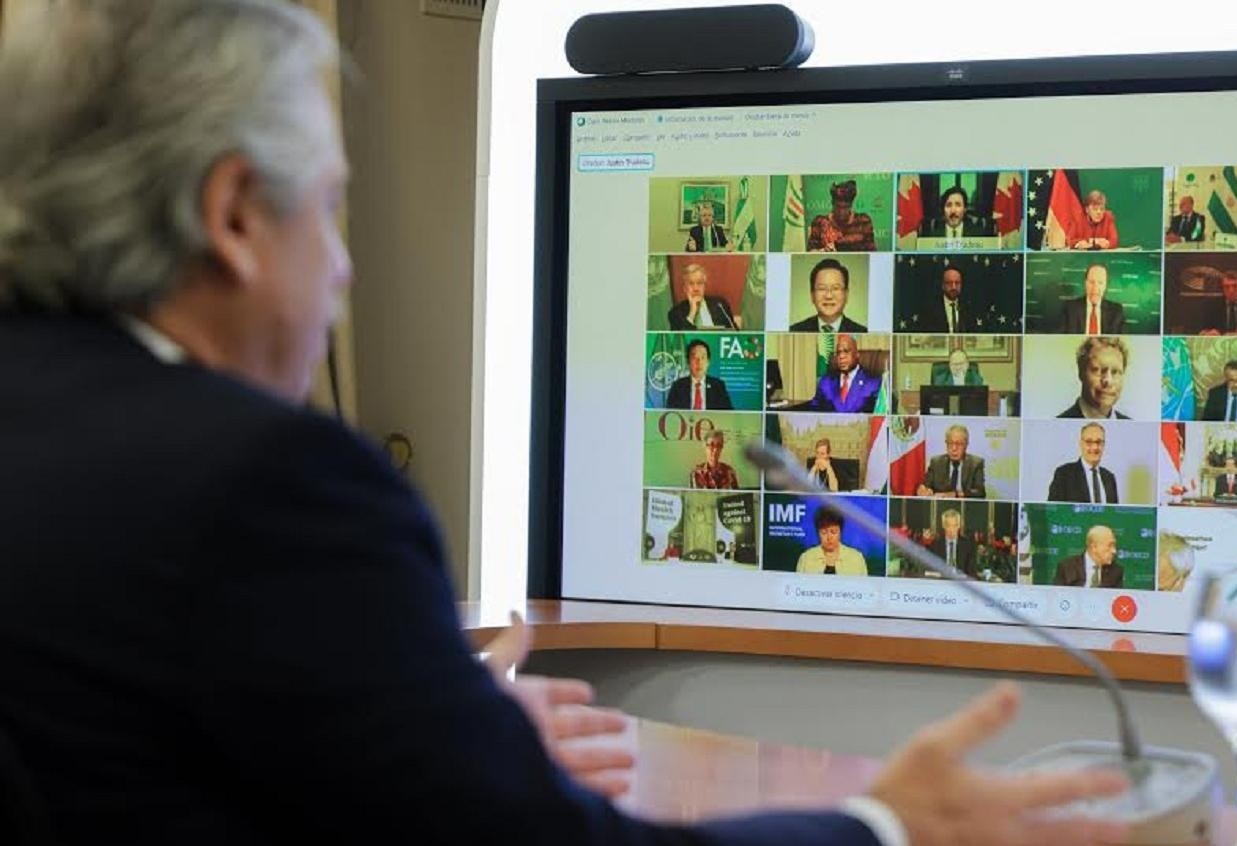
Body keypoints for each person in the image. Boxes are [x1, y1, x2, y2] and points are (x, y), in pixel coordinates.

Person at [0, 4, 1132, 845]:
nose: (343, 271)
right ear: (236, 216)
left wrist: (440, 735)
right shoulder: (266, 484)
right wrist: (889, 823)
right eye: (333, 211)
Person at [806, 334, 882, 413]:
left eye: (846, 351)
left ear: (856, 355)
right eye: (838, 352)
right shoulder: (825, 382)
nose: (841, 356)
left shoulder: (873, 383)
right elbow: (814, 411)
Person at [788, 258, 868, 333]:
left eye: (835, 288)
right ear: (812, 295)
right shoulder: (795, 330)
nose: (828, 296)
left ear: (846, 295)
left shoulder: (861, 331)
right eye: (822, 288)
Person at [1058, 337, 1130, 419]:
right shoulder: (1056, 426)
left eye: (1115, 372)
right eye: (1097, 370)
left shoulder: (1133, 428)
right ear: (1081, 373)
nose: (1108, 380)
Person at [1047, 423, 1119, 504]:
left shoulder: (1109, 478)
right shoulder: (1064, 474)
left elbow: (1114, 514)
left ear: (1104, 445)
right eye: (1089, 442)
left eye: (1099, 442)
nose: (1095, 447)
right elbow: (1053, 511)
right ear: (1081, 444)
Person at [916, 424, 986, 498]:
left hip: (966, 508)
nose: (954, 448)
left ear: (966, 445)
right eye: (950, 443)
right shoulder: (936, 463)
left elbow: (980, 492)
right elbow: (926, 486)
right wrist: (923, 490)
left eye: (958, 444)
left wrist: (955, 494)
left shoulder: (976, 464)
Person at [794, 507, 869, 576]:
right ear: (817, 533)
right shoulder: (806, 558)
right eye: (824, 532)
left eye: (833, 532)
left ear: (840, 532)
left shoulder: (856, 558)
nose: (829, 537)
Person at [807, 179, 877, 252]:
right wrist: (823, 251)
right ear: (832, 203)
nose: (841, 211)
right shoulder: (819, 222)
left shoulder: (863, 222)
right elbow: (810, 251)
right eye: (838, 206)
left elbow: (872, 251)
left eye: (845, 207)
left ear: (851, 205)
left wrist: (841, 245)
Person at [666, 263, 738, 330]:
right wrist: (692, 313)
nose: (696, 288)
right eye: (691, 284)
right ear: (685, 288)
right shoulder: (675, 313)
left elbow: (735, 331)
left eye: (699, 283)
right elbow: (681, 339)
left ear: (704, 286)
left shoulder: (720, 304)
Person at [666, 339, 733, 410]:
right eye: (695, 358)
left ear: (708, 362)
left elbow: (729, 414)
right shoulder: (678, 387)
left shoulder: (718, 386)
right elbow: (670, 414)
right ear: (688, 362)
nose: (699, 362)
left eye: (703, 358)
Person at [1058, 264, 1124, 335]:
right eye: (1092, 282)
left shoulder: (1116, 311)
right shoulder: (1070, 308)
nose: (1095, 288)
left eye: (1100, 283)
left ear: (1105, 286)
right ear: (1085, 283)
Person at [1052, 526, 1124, 588]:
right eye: (1110, 545)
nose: (1114, 551)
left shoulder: (1116, 572)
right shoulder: (1067, 567)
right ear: (1094, 547)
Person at [914, 265, 978, 333]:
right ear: (943, 285)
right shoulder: (930, 308)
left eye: (957, 283)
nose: (954, 287)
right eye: (949, 283)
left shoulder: (968, 307)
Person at [918, 185, 995, 239]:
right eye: (948, 205)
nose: (953, 210)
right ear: (943, 209)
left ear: (965, 209)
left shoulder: (977, 235)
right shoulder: (932, 236)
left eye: (958, 205)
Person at [1198, 271, 1237, 336]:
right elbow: (1203, 331)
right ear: (1222, 289)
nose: (1231, 290)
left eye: (1235, 286)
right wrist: (1208, 333)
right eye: (1227, 287)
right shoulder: (1213, 306)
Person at [925, 509, 978, 578]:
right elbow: (929, 569)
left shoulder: (967, 546)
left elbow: (971, 572)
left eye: (954, 525)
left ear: (958, 526)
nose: (951, 529)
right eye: (948, 525)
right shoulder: (936, 544)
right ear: (943, 526)